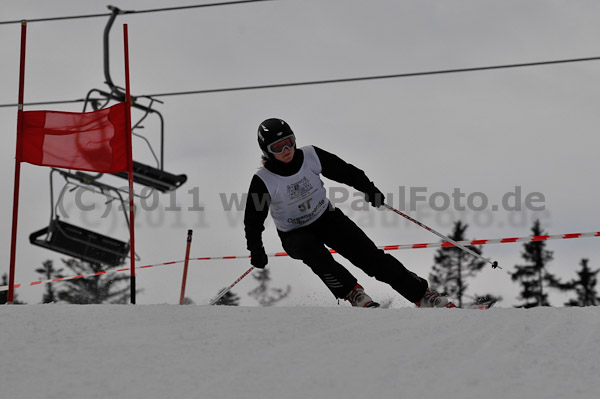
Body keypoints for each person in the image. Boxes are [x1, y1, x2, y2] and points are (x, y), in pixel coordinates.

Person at [243, 118, 450, 308]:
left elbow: (346, 171)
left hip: (326, 218)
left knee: (370, 257)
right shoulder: (264, 180)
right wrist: (256, 249)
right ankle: (354, 294)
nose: (287, 149)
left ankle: (422, 295)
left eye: (289, 141)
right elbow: (253, 221)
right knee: (312, 251)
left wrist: (368, 189)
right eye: (278, 147)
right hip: (294, 234)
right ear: (267, 151)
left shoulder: (310, 155)